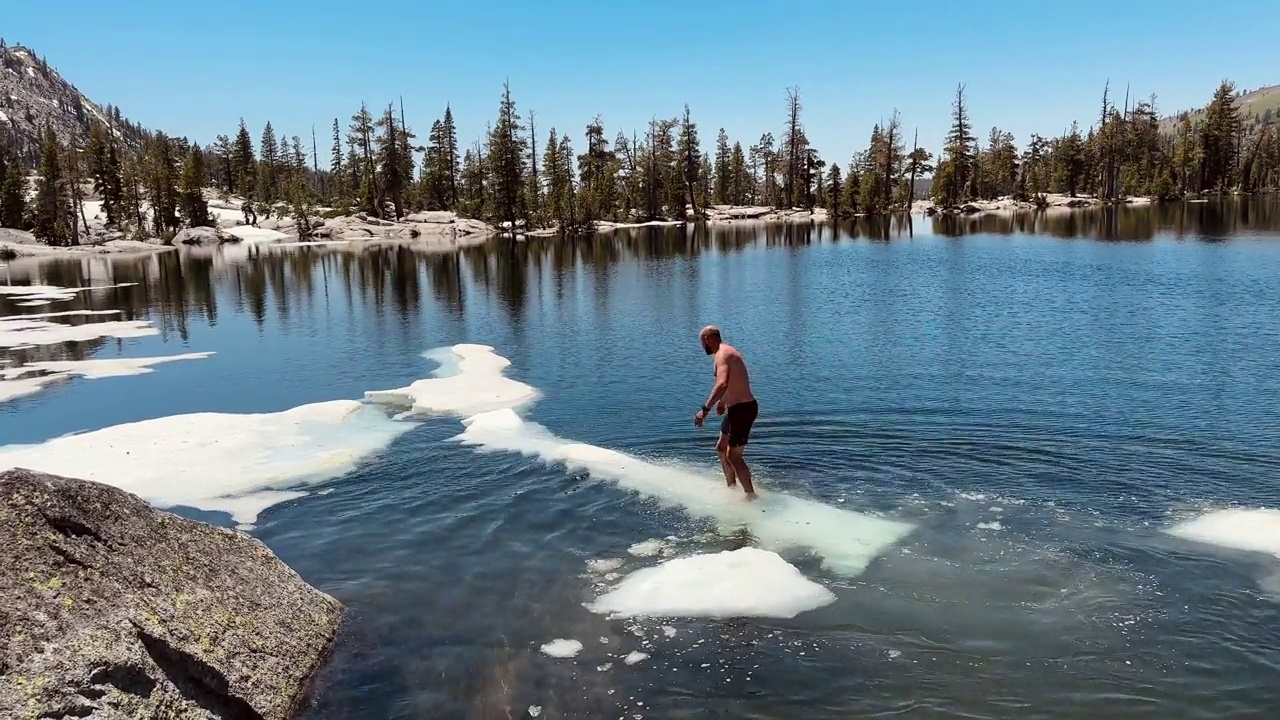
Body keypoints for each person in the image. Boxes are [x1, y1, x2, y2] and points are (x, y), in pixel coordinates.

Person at [693, 326, 760, 499]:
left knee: (733, 456)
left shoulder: (723, 354)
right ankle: (731, 488)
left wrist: (705, 409)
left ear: (707, 339)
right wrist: (723, 402)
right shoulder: (726, 352)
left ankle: (751, 497)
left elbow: (722, 383)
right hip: (735, 408)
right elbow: (734, 381)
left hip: (743, 409)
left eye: (702, 342)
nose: (702, 346)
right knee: (722, 448)